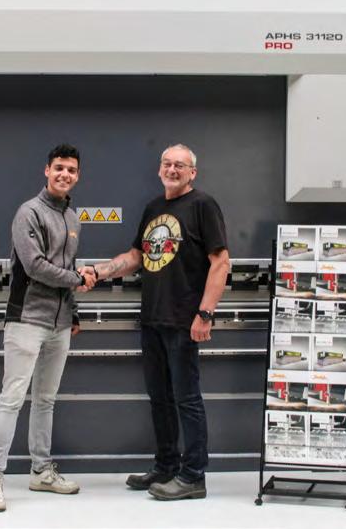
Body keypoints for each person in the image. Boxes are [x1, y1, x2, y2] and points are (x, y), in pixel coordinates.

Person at [82, 143, 230, 501]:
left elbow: (221, 262)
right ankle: (166, 466)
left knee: (187, 399)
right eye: (167, 163)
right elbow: (136, 256)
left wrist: (205, 314)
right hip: (152, 319)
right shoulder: (153, 209)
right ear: (159, 169)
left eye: (180, 165)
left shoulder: (203, 205)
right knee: (160, 399)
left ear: (192, 172)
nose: (172, 169)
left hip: (184, 320)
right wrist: (98, 271)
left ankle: (193, 476)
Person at [0, 144, 95, 512]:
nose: (65, 174)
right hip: (27, 320)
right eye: (59, 167)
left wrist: (73, 312)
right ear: (47, 171)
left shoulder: (73, 219)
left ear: (77, 176)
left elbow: (68, 266)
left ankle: (41, 471)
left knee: (46, 400)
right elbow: (35, 266)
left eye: (71, 170)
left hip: (59, 325)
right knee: (12, 399)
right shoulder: (28, 212)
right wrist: (78, 279)